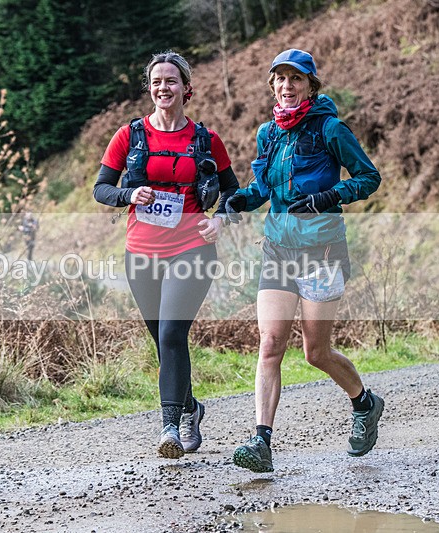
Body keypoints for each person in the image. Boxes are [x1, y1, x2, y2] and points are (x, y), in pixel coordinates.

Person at [225, 49, 384, 472]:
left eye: (296, 79)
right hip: (278, 247)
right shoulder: (268, 133)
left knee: (316, 353)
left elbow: (369, 177)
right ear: (273, 86)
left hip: (322, 251)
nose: (287, 86)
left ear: (311, 85)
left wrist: (330, 196)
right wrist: (239, 200)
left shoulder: (330, 129)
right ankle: (261, 443)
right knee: (271, 343)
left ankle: (365, 404)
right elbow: (264, 185)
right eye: (280, 78)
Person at [93, 51, 240, 458]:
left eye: (171, 81)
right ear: (150, 88)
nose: (163, 88)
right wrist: (128, 193)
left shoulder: (205, 140)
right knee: (163, 341)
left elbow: (233, 191)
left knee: (173, 333)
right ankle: (192, 408)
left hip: (192, 247)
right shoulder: (130, 136)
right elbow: (101, 188)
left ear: (185, 88)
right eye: (156, 81)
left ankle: (170, 428)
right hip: (141, 252)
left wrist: (221, 220)